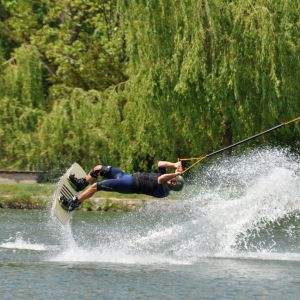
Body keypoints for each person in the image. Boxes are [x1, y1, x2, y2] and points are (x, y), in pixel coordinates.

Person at [59, 160, 185, 211]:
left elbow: (161, 178)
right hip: (126, 176)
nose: (172, 179)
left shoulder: (163, 191)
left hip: (128, 185)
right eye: (173, 178)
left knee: (96, 186)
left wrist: (174, 174)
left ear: (174, 185)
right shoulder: (168, 180)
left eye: (174, 180)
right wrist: (174, 165)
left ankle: (74, 203)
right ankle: (82, 183)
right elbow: (160, 164)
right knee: (99, 168)